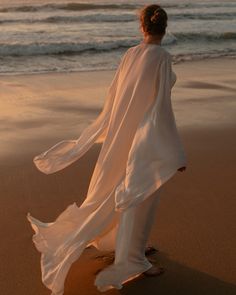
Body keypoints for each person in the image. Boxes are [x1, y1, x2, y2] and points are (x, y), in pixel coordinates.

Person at [27, 4, 187, 295]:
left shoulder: (130, 54)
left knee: (116, 193)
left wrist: (108, 132)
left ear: (142, 27)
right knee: (139, 199)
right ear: (165, 28)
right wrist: (174, 151)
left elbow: (115, 97)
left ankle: (119, 244)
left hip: (120, 136)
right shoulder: (162, 56)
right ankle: (135, 260)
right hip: (143, 140)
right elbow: (161, 107)